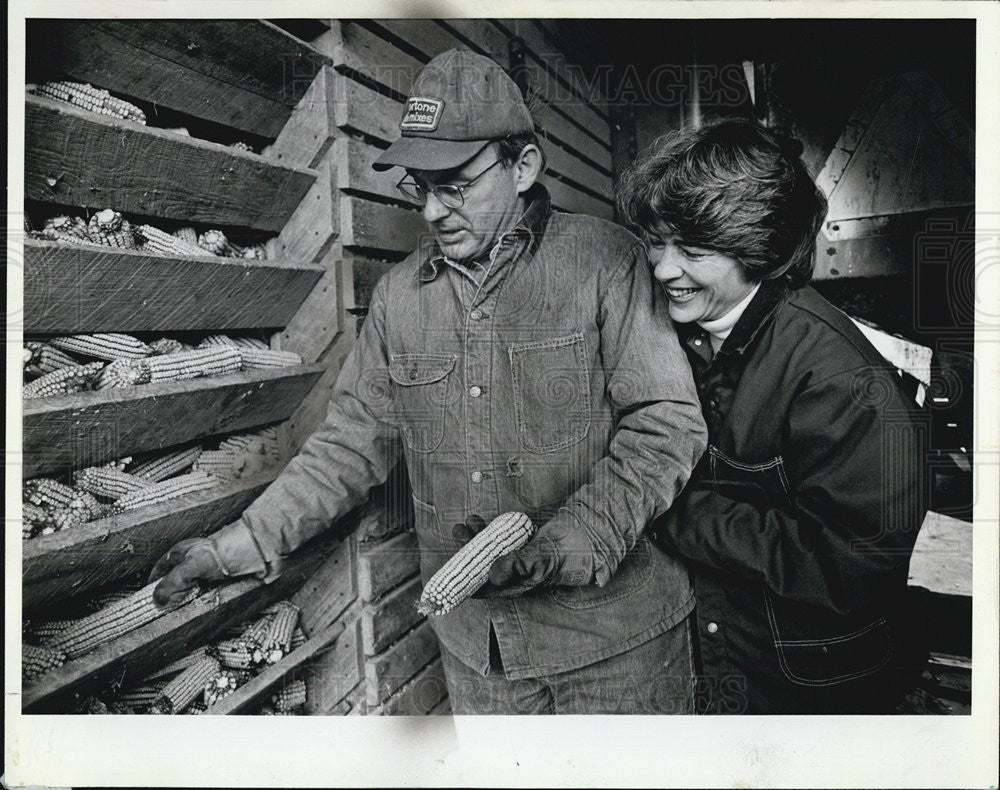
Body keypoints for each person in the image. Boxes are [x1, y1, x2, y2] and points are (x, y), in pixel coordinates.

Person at [150, 49, 707, 714]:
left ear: (523, 166)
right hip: (480, 657)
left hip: (616, 645)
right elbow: (348, 447)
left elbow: (666, 425)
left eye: (457, 184)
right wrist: (239, 543)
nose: (435, 212)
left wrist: (567, 544)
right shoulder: (398, 300)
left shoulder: (606, 262)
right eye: (421, 186)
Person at [616, 118, 929, 714]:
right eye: (657, 241)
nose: (662, 269)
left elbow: (853, 566)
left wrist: (665, 510)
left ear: (757, 249)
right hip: (722, 662)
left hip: (806, 687)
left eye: (694, 250)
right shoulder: (687, 330)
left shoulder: (841, 382)